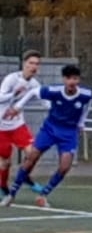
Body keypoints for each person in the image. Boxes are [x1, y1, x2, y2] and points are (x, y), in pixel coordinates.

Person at [4, 63, 92, 208]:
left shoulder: (85, 95)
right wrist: (17, 107)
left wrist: (81, 123)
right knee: (31, 158)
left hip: (69, 133)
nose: (72, 82)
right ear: (64, 79)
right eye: (69, 78)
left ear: (79, 80)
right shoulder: (54, 91)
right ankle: (12, 194)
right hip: (50, 129)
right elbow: (33, 92)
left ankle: (43, 194)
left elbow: (87, 106)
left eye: (75, 78)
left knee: (65, 166)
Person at [0, 49, 42, 196]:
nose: (34, 66)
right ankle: (3, 186)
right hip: (1, 127)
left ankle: (25, 176)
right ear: (24, 64)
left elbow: (44, 100)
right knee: (6, 162)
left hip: (18, 125)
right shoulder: (11, 79)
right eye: (31, 63)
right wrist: (14, 93)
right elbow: (0, 98)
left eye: (37, 64)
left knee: (32, 153)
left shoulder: (35, 84)